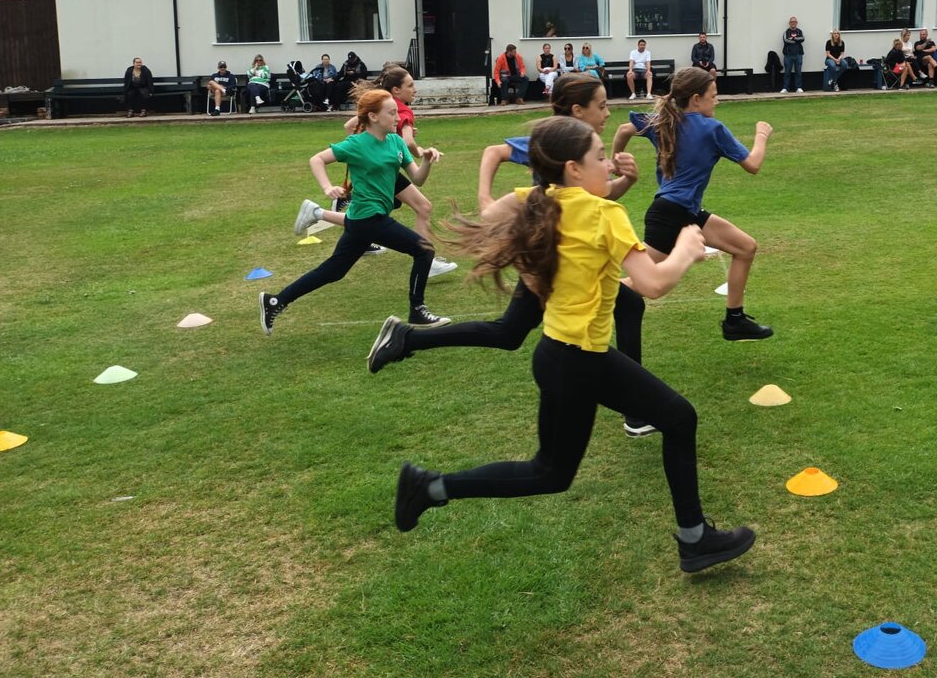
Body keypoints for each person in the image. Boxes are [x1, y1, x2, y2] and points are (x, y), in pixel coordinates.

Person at [392, 116, 757, 575]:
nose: (609, 162)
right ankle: (695, 539)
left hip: (561, 356)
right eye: (600, 158)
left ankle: (429, 488)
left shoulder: (535, 200)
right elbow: (654, 283)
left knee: (565, 465)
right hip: (578, 361)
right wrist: (686, 246)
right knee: (581, 459)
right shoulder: (606, 215)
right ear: (573, 169)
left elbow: (493, 215)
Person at [371, 73, 655, 435]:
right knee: (514, 331)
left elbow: (594, 203)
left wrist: (627, 180)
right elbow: (495, 152)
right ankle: (637, 410)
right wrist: (487, 200)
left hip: (569, 257)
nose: (607, 114)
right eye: (601, 106)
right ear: (578, 110)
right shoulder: (556, 140)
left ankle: (407, 339)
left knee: (516, 331)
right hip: (549, 260)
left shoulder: (584, 148)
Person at [259, 86, 450, 337]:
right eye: (392, 113)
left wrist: (426, 160)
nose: (398, 118)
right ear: (373, 117)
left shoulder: (395, 142)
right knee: (423, 249)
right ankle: (417, 310)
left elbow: (418, 179)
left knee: (333, 271)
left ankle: (275, 301)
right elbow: (317, 159)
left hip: (362, 220)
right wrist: (328, 187)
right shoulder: (356, 144)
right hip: (369, 218)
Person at [613, 67, 775, 341]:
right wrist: (762, 135)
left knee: (746, 247)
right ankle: (585, 295)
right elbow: (753, 164)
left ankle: (734, 321)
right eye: (713, 96)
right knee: (641, 283)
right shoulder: (712, 128)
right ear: (696, 99)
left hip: (680, 211)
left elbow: (623, 129)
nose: (717, 101)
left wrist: (617, 159)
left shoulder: (663, 120)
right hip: (671, 214)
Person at [294, 66, 459, 278]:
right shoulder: (402, 110)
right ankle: (427, 258)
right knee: (414, 208)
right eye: (410, 85)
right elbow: (407, 141)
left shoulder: (379, 102)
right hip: (384, 166)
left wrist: (372, 141)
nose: (415, 90)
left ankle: (320, 214)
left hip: (382, 163)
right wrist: (419, 152)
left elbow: (349, 126)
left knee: (377, 214)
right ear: (396, 90)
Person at [780, 17, 805, 93]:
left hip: (798, 54)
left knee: (798, 72)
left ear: (796, 23)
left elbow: (802, 39)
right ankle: (785, 88)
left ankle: (798, 87)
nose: (793, 23)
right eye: (791, 22)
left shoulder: (799, 31)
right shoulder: (786, 32)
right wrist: (796, 40)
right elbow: (786, 40)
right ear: (789, 23)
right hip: (788, 55)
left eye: (794, 22)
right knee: (787, 72)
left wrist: (793, 38)